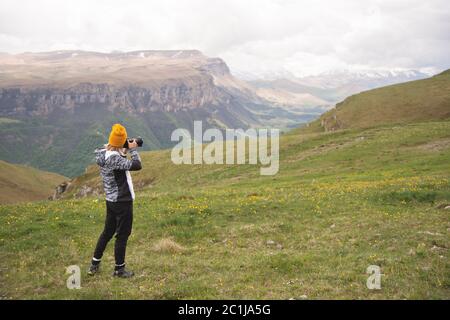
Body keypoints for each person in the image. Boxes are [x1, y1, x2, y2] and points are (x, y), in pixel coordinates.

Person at [88, 123, 142, 278]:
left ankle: (94, 264)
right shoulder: (114, 159)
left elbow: (117, 160)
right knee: (122, 235)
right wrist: (132, 149)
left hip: (111, 200)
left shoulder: (104, 153)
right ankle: (119, 269)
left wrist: (123, 149)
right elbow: (137, 165)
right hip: (122, 201)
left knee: (107, 232)